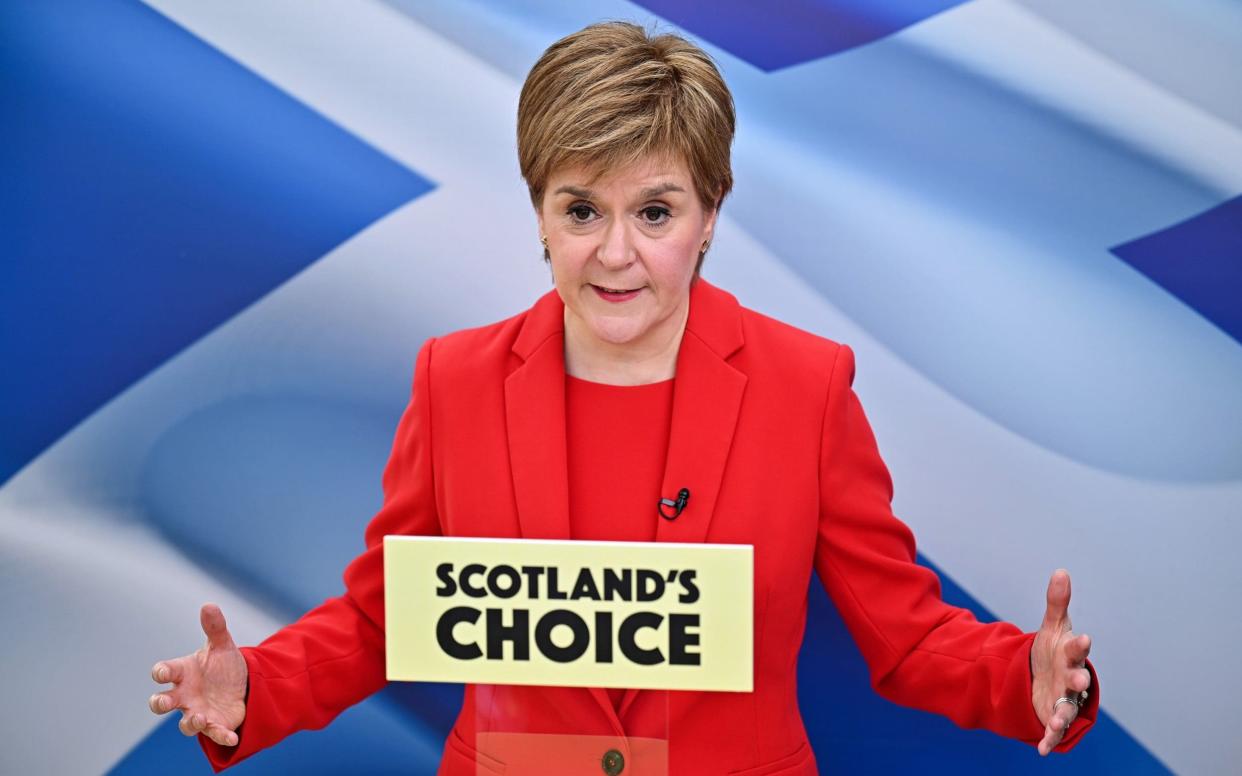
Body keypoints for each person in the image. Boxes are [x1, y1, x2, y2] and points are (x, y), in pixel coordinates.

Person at [148, 21, 1097, 774]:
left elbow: (908, 637)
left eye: (654, 212)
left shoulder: (806, 386)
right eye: (580, 210)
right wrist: (253, 689)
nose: (614, 253)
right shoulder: (455, 381)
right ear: (540, 215)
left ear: (710, 214)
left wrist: (1027, 677)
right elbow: (383, 617)